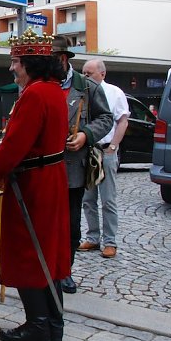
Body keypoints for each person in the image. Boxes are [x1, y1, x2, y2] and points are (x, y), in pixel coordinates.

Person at [0, 29, 70, 341]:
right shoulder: (54, 91)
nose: (12, 68)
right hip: (50, 179)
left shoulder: (35, 95)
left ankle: (38, 324)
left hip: (33, 185)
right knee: (48, 251)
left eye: (15, 62)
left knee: (28, 250)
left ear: (29, 63)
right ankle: (53, 322)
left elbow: (12, 149)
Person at [53, 37, 112, 294]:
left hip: (72, 169)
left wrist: (86, 134)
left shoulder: (87, 87)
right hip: (43, 168)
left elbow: (106, 118)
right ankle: (47, 269)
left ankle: (65, 271)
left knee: (70, 224)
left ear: (63, 59)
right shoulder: (38, 84)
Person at [79, 59, 129, 259]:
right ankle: (93, 237)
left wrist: (114, 146)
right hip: (87, 150)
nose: (85, 76)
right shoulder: (81, 91)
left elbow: (123, 121)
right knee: (88, 199)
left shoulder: (115, 92)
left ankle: (110, 241)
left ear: (102, 74)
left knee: (108, 199)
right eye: (83, 72)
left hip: (106, 150)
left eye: (89, 73)